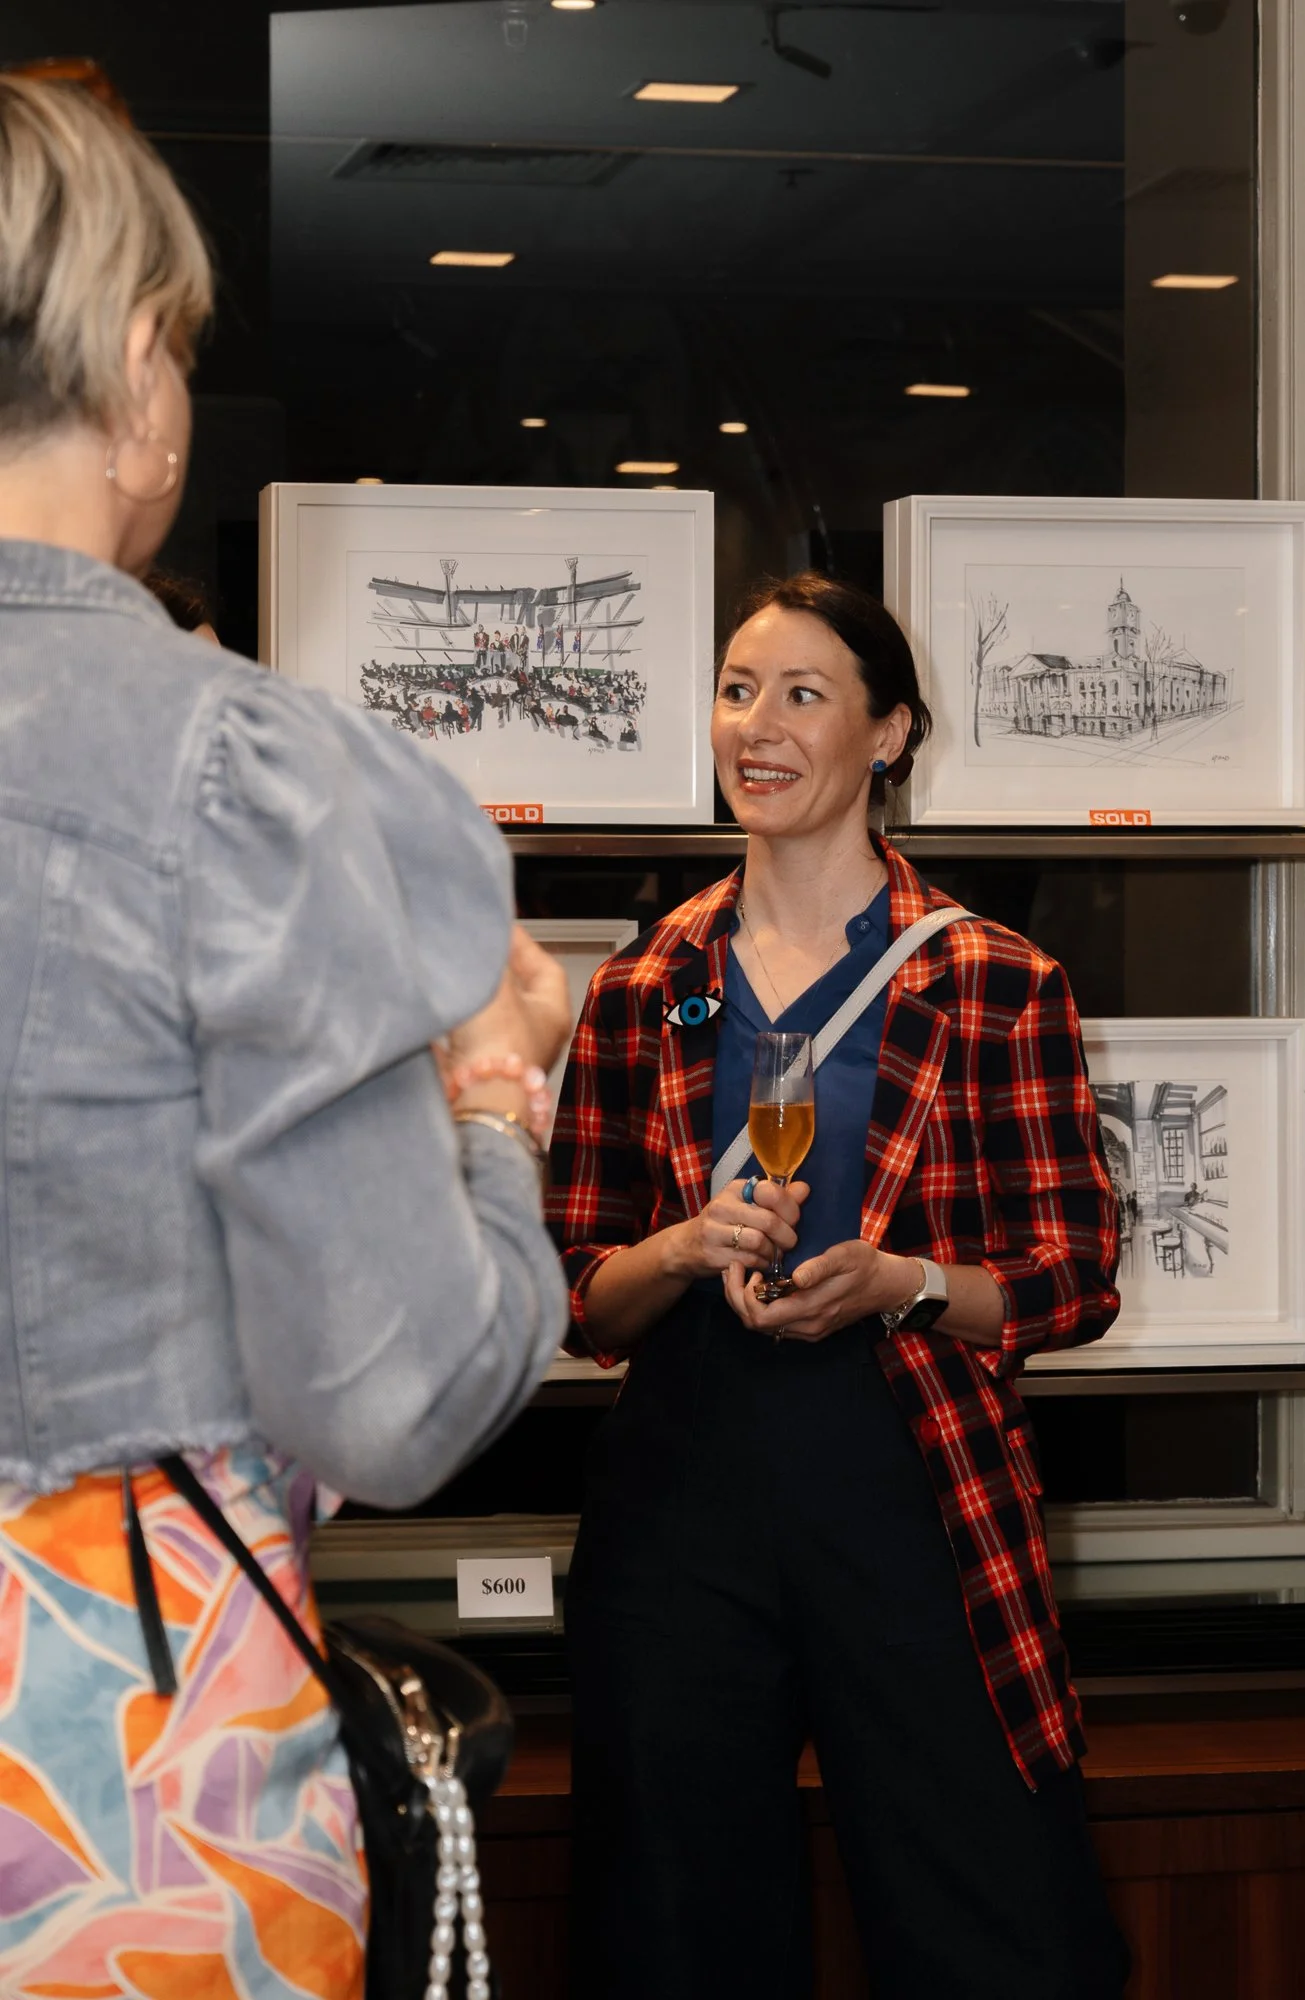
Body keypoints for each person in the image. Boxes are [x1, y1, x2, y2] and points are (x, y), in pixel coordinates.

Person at [0, 72, 570, 2000]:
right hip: (121, 1762)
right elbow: (393, 1401)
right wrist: (495, 1096)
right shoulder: (237, 772)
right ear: (141, 363)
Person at [547, 571, 1129, 2000]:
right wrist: (685, 1246)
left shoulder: (996, 979)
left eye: (805, 694)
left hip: (915, 1499)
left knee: (988, 1923)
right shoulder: (646, 988)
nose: (760, 724)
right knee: (675, 1931)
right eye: (740, 690)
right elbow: (578, 1298)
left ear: (891, 735)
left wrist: (905, 1281)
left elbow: (1071, 1280)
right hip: (681, 1512)